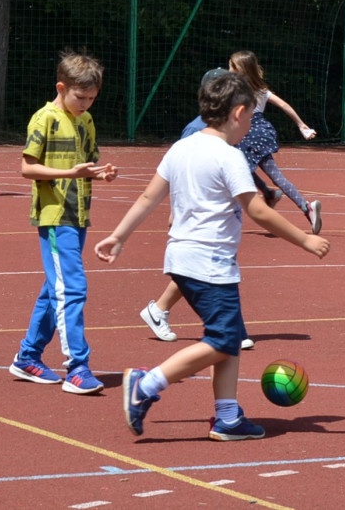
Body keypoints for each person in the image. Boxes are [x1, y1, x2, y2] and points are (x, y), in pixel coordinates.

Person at [95, 72, 330, 440]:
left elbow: (147, 198)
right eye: (251, 119)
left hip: (182, 259)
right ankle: (147, 383)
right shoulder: (229, 156)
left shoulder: (181, 147)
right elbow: (259, 211)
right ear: (238, 113)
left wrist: (118, 235)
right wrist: (304, 240)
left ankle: (227, 417)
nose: (251, 126)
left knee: (230, 337)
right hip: (210, 265)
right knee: (221, 341)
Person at [8, 51, 118, 395]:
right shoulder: (45, 119)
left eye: (91, 98)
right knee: (72, 287)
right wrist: (71, 172)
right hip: (55, 216)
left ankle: (27, 356)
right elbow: (27, 168)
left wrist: (102, 174)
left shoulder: (85, 121)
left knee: (52, 289)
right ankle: (77, 367)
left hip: (79, 213)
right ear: (62, 87)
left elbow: (88, 164)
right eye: (80, 97)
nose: (85, 104)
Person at [139, 67, 257, 350]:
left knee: (215, 268)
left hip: (216, 211)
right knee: (206, 268)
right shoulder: (196, 132)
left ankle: (233, 328)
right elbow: (182, 173)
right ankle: (160, 313)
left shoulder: (224, 134)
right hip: (199, 216)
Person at [228, 51, 322, 234]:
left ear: (242, 70)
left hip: (246, 132)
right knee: (273, 174)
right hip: (262, 131)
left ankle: (266, 197)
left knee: (238, 169)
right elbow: (284, 105)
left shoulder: (235, 90)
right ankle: (306, 207)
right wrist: (302, 126)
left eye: (232, 67)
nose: (229, 69)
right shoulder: (261, 90)